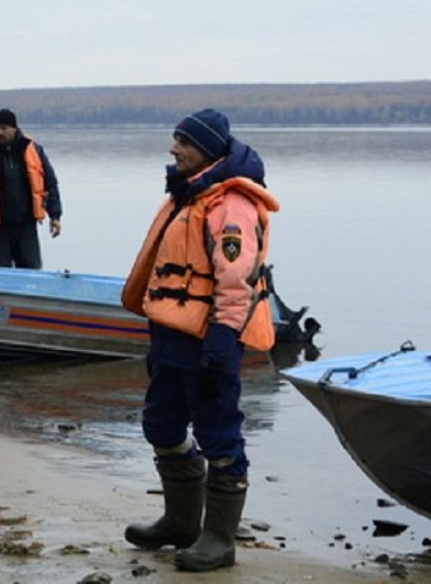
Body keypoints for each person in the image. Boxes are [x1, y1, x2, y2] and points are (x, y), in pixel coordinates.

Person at [121, 108, 280, 572]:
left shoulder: (231, 206)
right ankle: (181, 523)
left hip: (213, 338)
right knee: (162, 426)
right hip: (172, 335)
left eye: (183, 142)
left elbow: (237, 280)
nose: (173, 149)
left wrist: (222, 339)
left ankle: (219, 540)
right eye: (174, 139)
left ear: (207, 149)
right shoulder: (187, 196)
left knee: (218, 434)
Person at [0, 108, 62, 268]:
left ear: (14, 128)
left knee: (31, 272)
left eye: (4, 128)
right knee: (0, 274)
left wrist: (55, 216)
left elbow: (50, 184)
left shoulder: (34, 151)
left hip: (26, 225)